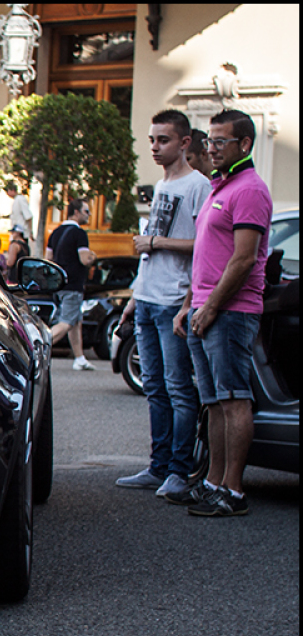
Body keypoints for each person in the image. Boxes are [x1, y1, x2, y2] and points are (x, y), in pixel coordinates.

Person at [170, 110, 273, 517]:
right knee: (212, 402)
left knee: (234, 400)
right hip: (205, 307)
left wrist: (211, 307)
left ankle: (233, 490)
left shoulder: (249, 190)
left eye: (219, 142)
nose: (209, 148)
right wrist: (189, 305)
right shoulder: (220, 186)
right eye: (208, 141)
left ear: (243, 145)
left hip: (230, 311)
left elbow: (243, 259)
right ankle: (212, 482)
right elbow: (206, 256)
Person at [114, 110, 209, 495]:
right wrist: (134, 296)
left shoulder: (197, 185)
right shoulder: (162, 184)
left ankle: (178, 471)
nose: (155, 147)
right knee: (154, 387)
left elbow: (206, 246)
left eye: (163, 140)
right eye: (152, 140)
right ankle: (158, 466)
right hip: (149, 298)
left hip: (174, 300)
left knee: (178, 388)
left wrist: (156, 243)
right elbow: (149, 249)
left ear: (184, 143)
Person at [44, 198, 97, 370]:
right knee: (66, 322)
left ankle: (79, 358)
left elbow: (48, 259)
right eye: (86, 211)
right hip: (73, 284)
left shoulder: (55, 232)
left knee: (76, 322)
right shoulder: (79, 233)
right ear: (76, 212)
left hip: (59, 285)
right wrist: (93, 257)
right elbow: (84, 259)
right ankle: (37, 347)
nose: (88, 215)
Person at [4, 181, 33, 281]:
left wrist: (30, 232)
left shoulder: (20, 200)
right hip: (18, 232)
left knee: (15, 260)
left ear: (12, 190)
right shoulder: (16, 201)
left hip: (21, 233)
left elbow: (28, 216)